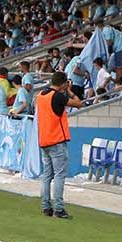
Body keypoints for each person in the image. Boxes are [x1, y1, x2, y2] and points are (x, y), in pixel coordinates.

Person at [36, 73, 83, 218]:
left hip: (44, 139)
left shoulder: (41, 95)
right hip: (56, 140)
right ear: (63, 84)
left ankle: (46, 207)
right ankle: (58, 208)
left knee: (46, 175)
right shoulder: (58, 96)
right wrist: (69, 91)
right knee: (59, 175)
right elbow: (78, 103)